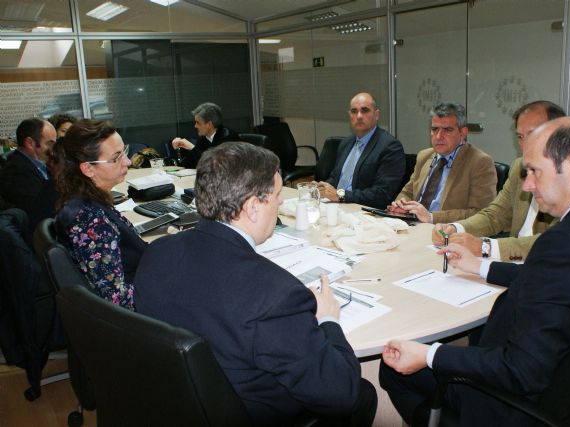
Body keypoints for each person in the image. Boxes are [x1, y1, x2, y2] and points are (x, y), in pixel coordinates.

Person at [379, 117, 570, 427]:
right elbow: (563, 281)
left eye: (534, 171)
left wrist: (429, 355)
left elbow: (522, 370)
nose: (527, 185)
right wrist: (482, 266)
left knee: (391, 370)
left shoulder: (564, 243)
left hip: (517, 402)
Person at [135, 142, 377, 426]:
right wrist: (328, 320)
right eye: (276, 195)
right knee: (363, 394)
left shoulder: (157, 251)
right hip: (250, 413)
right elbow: (341, 394)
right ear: (252, 207)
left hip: (172, 404)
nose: (281, 202)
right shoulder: (276, 296)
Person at [432, 100, 565, 261]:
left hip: (544, 266)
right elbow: (495, 215)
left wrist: (485, 247)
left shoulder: (569, 179)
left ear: (558, 136)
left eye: (533, 135)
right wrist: (456, 228)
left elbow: (555, 242)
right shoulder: (519, 168)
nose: (524, 146)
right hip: (511, 263)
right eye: (520, 137)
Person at [50, 119, 145, 311]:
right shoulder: (90, 221)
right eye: (116, 158)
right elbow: (117, 300)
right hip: (141, 311)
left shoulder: (85, 199)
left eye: (124, 152)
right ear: (88, 168)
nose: (127, 162)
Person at [388, 102, 496, 223]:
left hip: (446, 229)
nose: (439, 136)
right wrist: (401, 204)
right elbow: (407, 192)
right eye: (434, 129)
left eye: (447, 130)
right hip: (412, 224)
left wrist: (431, 217)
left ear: (463, 133)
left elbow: (481, 214)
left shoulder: (480, 162)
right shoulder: (424, 156)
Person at [317, 92, 405, 209]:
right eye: (354, 111)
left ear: (376, 115)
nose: (359, 116)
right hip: (334, 206)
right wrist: (321, 188)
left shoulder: (390, 147)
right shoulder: (346, 143)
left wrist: (340, 195)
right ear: (350, 115)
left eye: (365, 110)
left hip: (361, 210)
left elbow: (382, 195)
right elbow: (335, 178)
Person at [0, 117, 58, 233]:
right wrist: (58, 175)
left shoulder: (42, 164)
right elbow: (40, 212)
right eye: (49, 144)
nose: (53, 150)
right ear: (30, 143)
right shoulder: (16, 173)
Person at [171, 102, 238, 168]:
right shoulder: (203, 138)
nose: (195, 126)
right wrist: (182, 148)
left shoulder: (228, 138)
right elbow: (190, 164)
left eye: (198, 123)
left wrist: (192, 148)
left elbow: (213, 166)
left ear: (209, 124)